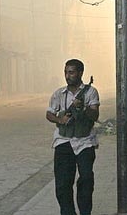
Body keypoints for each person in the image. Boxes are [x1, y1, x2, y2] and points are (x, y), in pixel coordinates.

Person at [46, 59, 100, 215]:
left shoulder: (90, 92)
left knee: (86, 179)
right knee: (63, 184)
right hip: (63, 140)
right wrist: (60, 119)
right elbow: (49, 113)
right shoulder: (58, 94)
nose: (68, 76)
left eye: (71, 72)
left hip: (85, 141)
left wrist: (82, 107)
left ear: (80, 73)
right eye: (66, 72)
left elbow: (95, 115)